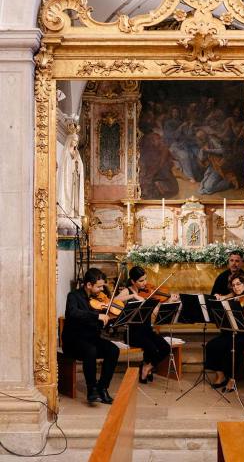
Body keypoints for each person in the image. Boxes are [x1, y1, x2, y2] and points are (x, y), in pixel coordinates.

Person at [62, 267, 120, 404]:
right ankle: (91, 388)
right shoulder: (73, 296)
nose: (101, 290)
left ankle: (103, 387)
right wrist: (96, 315)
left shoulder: (99, 299)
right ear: (89, 285)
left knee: (113, 350)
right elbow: (73, 313)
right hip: (74, 341)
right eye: (99, 287)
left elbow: (99, 325)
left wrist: (110, 320)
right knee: (91, 350)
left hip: (91, 338)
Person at [118, 266, 179, 384]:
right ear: (133, 281)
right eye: (141, 281)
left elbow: (156, 312)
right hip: (133, 333)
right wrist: (133, 296)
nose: (145, 283)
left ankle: (147, 366)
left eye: (145, 279)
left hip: (147, 330)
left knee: (165, 348)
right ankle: (146, 369)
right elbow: (115, 299)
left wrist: (169, 301)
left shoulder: (148, 292)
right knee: (151, 348)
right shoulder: (127, 291)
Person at [205, 273, 244, 391]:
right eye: (233, 285)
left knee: (232, 347)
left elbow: (242, 321)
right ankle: (220, 376)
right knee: (211, 345)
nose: (236, 287)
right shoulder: (234, 295)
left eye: (238, 284)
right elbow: (223, 297)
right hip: (231, 332)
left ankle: (232, 378)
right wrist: (219, 297)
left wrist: (234, 305)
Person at [57, 128, 85, 234]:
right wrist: (73, 165)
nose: (75, 143)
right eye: (74, 140)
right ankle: (67, 212)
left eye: (77, 141)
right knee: (68, 195)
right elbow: (65, 167)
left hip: (75, 179)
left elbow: (80, 165)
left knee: (75, 197)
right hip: (68, 179)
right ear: (70, 140)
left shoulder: (77, 153)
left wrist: (78, 166)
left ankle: (73, 213)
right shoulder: (66, 152)